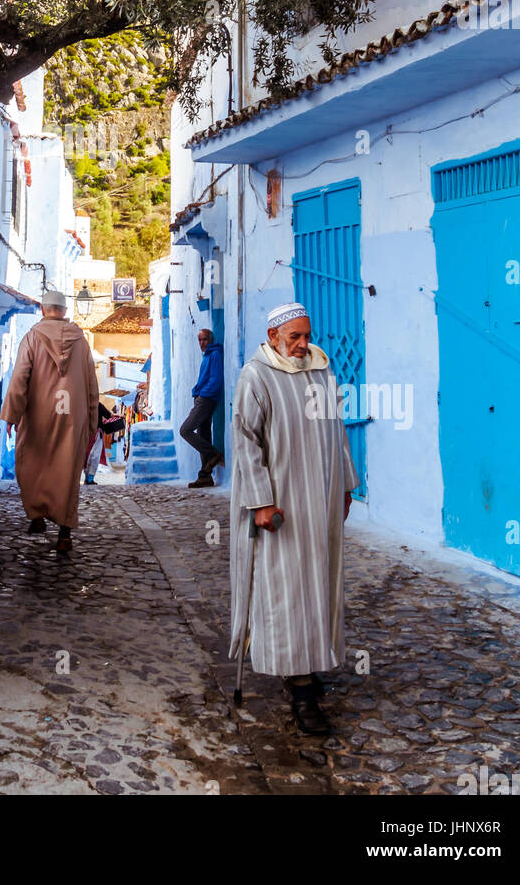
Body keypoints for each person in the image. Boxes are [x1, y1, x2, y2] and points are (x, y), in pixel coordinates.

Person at [228, 303, 359, 735]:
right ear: (272, 336)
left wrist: (345, 485)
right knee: (287, 591)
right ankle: (300, 689)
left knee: (319, 587)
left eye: (306, 335)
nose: (303, 345)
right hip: (281, 506)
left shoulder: (322, 371)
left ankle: (309, 664)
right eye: (294, 337)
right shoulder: (257, 376)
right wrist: (261, 502)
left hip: (319, 502)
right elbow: (245, 442)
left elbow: (336, 429)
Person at [1, 289, 99, 553]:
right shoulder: (81, 342)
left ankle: (36, 515)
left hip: (38, 414)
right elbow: (91, 384)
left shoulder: (32, 338)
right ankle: (65, 532)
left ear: (43, 310)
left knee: (32, 462)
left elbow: (20, 377)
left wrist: (11, 415)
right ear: (64, 311)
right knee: (67, 470)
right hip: (72, 416)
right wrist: (92, 421)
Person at [180, 328, 225, 488]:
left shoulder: (214, 355)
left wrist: (202, 395)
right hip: (202, 397)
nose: (202, 343)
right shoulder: (207, 355)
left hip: (206, 399)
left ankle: (214, 454)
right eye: (199, 340)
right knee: (203, 434)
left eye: (204, 339)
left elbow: (216, 380)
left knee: (185, 430)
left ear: (210, 340)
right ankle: (205, 475)